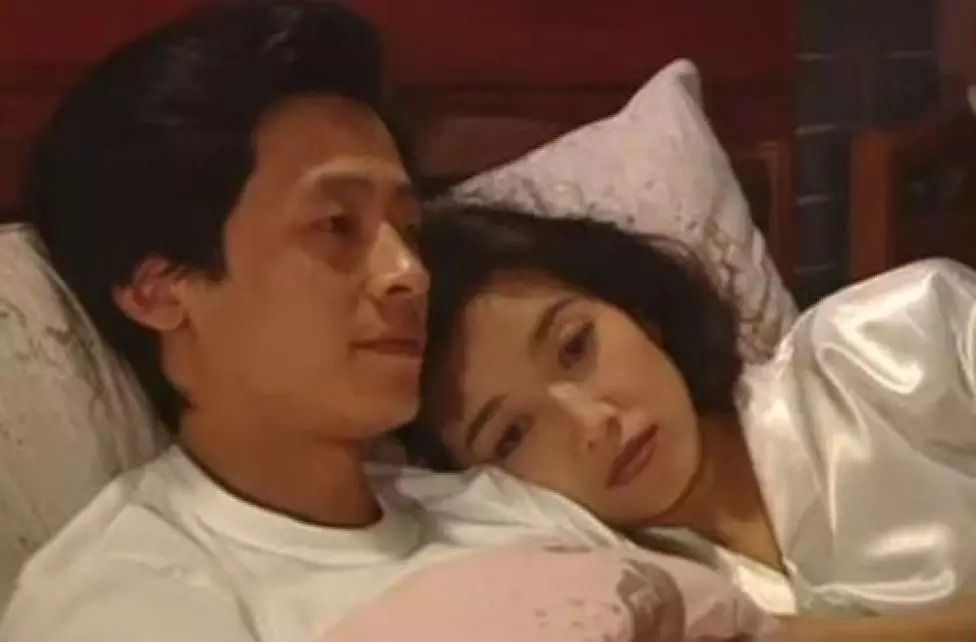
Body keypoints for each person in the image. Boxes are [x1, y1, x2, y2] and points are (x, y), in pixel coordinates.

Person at [0, 3, 781, 641]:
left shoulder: (500, 501)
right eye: (336, 226)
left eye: (406, 230)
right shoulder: (132, 599)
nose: (408, 272)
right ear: (159, 289)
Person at [406, 202, 976, 641]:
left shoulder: (901, 336)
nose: (592, 422)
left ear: (635, 308)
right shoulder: (621, 602)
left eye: (576, 346)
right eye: (513, 434)